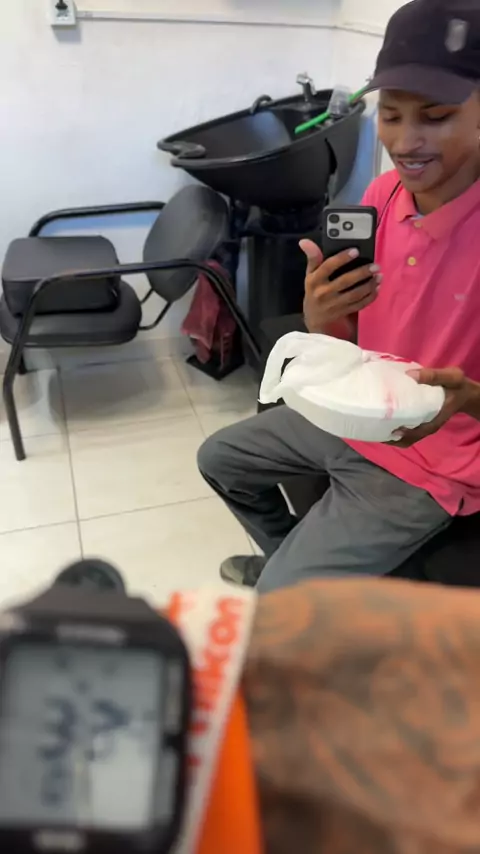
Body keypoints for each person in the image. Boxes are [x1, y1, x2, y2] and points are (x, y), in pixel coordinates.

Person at [197, 0, 480, 592]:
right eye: (391, 116)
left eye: (435, 116)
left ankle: (291, 582)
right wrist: (321, 315)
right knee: (219, 460)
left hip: (433, 455)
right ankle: (285, 559)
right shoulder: (381, 196)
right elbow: (350, 339)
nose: (406, 141)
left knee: (278, 601)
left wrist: (471, 399)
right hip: (355, 414)